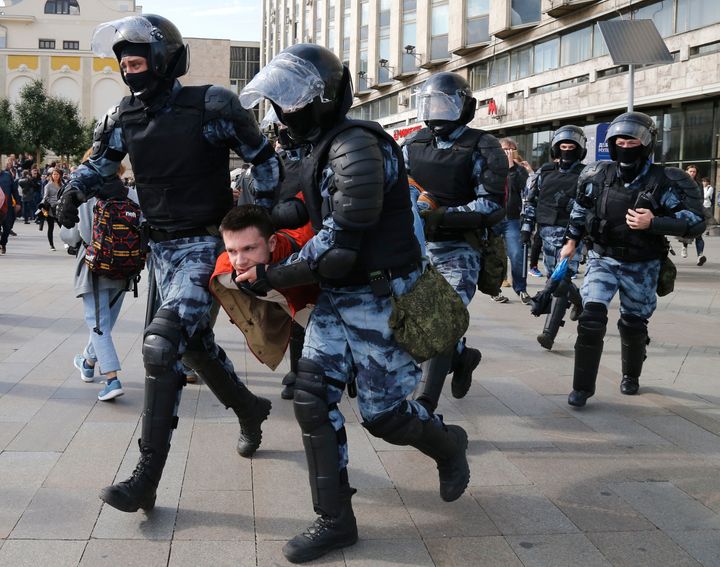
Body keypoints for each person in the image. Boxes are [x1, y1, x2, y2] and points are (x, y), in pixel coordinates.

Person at [239, 44, 471, 563]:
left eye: (294, 100)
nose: (285, 111)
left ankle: (448, 444)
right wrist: (256, 221)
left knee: (383, 416)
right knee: (310, 396)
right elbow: (306, 201)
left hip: (380, 297)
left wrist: (269, 275)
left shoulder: (358, 147)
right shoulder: (323, 146)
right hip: (339, 299)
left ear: (324, 98)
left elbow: (339, 248)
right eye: (280, 102)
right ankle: (335, 520)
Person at [55, 14, 282, 514]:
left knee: (160, 346)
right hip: (159, 250)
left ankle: (145, 478)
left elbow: (264, 159)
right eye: (121, 57)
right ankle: (250, 407)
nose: (126, 62)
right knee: (194, 345)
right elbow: (99, 162)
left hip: (204, 248)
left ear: (165, 57)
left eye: (137, 54)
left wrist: (255, 223)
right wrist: (74, 189)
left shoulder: (211, 104)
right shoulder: (123, 115)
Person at [560, 112, 705, 407]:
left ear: (647, 143)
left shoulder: (664, 182)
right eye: (620, 140)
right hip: (603, 258)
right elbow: (580, 208)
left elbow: (694, 221)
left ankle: (631, 375)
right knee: (591, 319)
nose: (625, 145)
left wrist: (655, 222)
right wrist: (571, 241)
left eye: (632, 140)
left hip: (642, 263)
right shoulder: (597, 174)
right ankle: (582, 388)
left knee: (633, 324)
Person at [401, 72, 508, 409]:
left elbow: (490, 204)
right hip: (417, 247)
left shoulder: (482, 145)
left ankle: (425, 404)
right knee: (413, 320)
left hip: (460, 248)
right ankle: (462, 358)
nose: (436, 111)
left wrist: (441, 214)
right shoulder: (413, 143)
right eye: (430, 103)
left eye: (445, 104)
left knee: (442, 319)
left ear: (464, 107)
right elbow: (399, 187)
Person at [210, 204, 316, 383]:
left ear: (272, 243)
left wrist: (274, 276)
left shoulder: (310, 243)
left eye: (249, 249)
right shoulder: (226, 274)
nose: (240, 261)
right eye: (232, 251)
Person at [62, 153, 135, 401]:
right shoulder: (130, 193)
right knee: (105, 323)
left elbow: (70, 236)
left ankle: (112, 379)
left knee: (99, 325)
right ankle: (87, 361)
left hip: (94, 266)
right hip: (125, 267)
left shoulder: (83, 195)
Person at [522, 125, 586, 350]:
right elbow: (531, 201)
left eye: (571, 147)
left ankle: (548, 333)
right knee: (554, 277)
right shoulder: (544, 172)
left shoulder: (587, 174)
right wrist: (526, 228)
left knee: (562, 279)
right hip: (547, 232)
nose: (567, 151)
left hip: (572, 236)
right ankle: (578, 301)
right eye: (563, 147)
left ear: (579, 150)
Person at [493, 137, 532, 304]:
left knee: (517, 254)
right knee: (494, 256)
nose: (507, 152)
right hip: (493, 217)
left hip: (512, 219)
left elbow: (522, 188)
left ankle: (521, 289)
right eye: (503, 150)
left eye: (510, 149)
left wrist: (511, 168)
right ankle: (495, 289)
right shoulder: (491, 167)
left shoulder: (519, 170)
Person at [679, 165, 706, 265]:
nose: (692, 173)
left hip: (697, 211)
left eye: (694, 172)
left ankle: (700, 256)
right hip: (685, 211)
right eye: (691, 171)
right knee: (686, 231)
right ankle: (684, 246)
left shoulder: (698, 184)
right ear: (686, 172)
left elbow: (701, 198)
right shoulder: (681, 182)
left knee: (699, 234)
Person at [0, 160, 21, 255]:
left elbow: (14, 190)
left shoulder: (7, 175)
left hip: (7, 206)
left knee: (7, 228)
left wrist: (18, 203)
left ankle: (3, 243)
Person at [42, 168, 63, 251]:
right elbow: (45, 197)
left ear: (60, 175)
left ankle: (67, 242)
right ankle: (51, 245)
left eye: (57, 174)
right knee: (51, 227)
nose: (56, 176)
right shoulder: (48, 185)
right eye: (54, 174)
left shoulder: (62, 185)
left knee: (62, 226)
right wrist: (53, 203)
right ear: (51, 176)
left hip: (60, 208)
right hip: (50, 208)